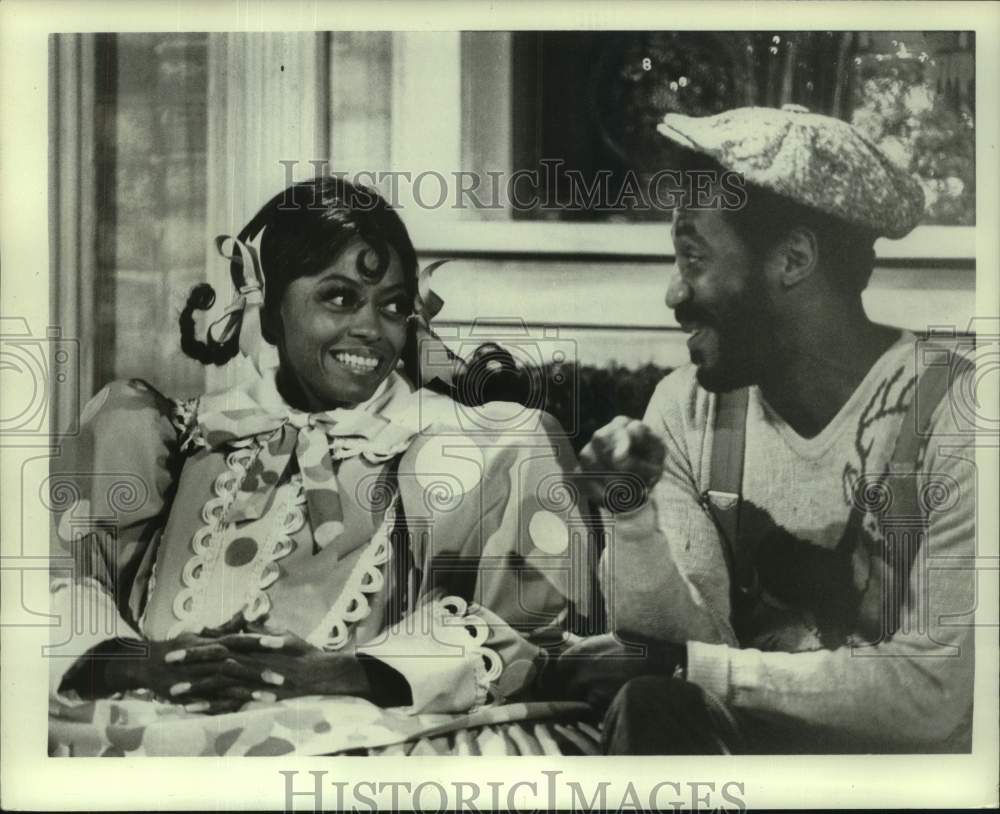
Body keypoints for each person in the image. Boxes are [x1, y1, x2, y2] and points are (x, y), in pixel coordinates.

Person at [48, 177, 597, 756]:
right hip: (147, 719)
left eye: (393, 306)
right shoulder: (167, 433)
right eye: (339, 297)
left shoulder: (455, 445)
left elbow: (541, 635)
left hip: (355, 739)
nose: (370, 327)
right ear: (269, 310)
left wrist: (342, 674)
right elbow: (52, 591)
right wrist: (139, 663)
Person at [560, 105, 976, 754]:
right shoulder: (687, 407)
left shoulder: (959, 415)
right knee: (653, 703)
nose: (674, 294)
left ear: (793, 259)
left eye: (693, 256)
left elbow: (933, 695)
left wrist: (693, 668)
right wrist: (632, 515)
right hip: (739, 775)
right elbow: (671, 649)